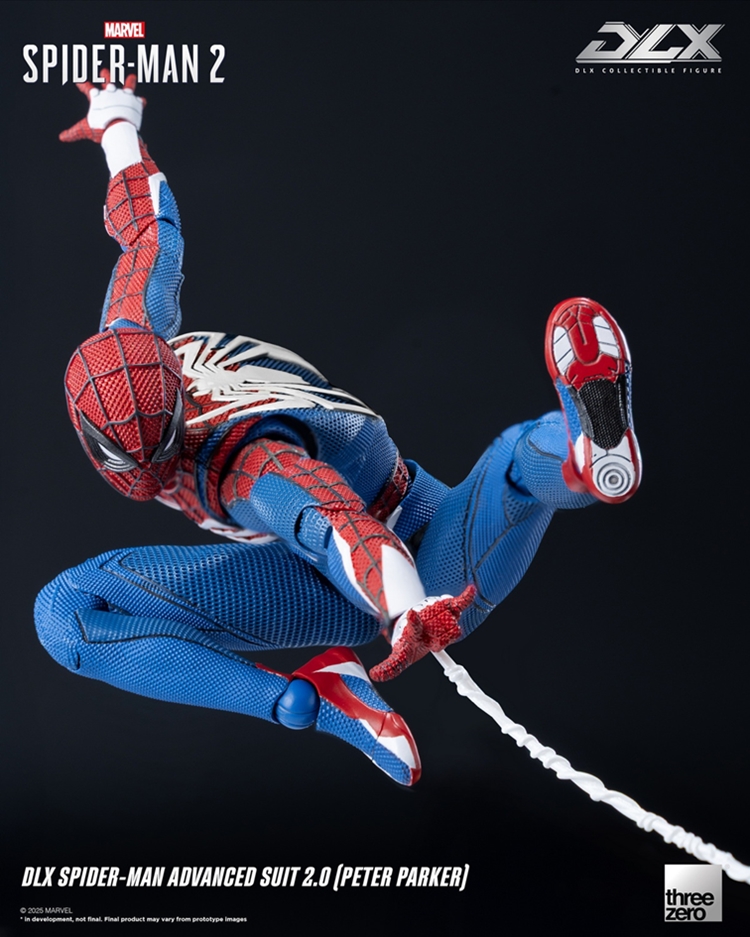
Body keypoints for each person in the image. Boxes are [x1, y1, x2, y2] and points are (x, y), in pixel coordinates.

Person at [35, 77, 641, 787]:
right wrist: (115, 118)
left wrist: (408, 609)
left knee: (510, 467)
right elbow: (148, 227)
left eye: (161, 451)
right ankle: (322, 697)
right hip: (316, 567)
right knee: (67, 610)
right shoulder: (133, 331)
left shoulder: (243, 464)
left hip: (419, 566)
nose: (154, 472)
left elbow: (332, 521)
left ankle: (583, 457)